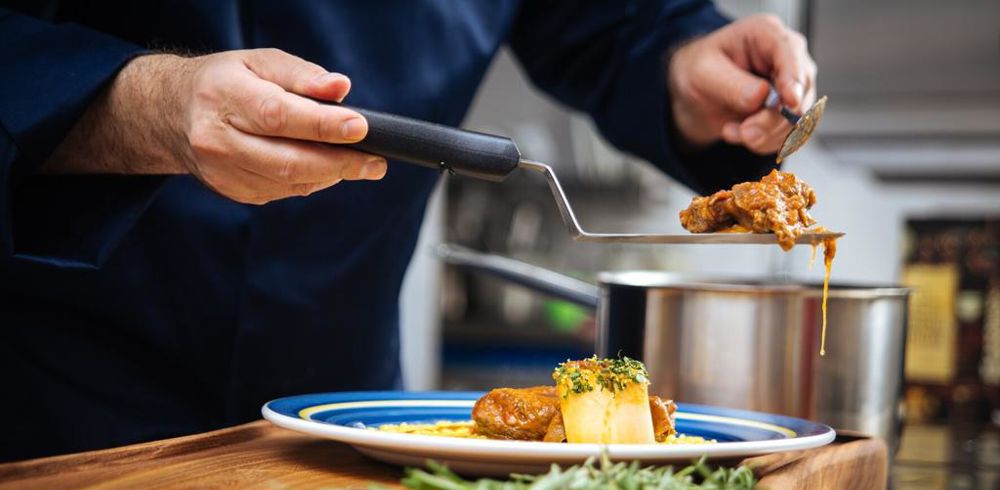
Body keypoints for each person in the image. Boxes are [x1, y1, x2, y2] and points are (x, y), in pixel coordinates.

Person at [0, 1, 816, 461]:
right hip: (56, 383)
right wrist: (142, 106)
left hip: (347, 402)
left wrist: (679, 63)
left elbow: (614, 28)